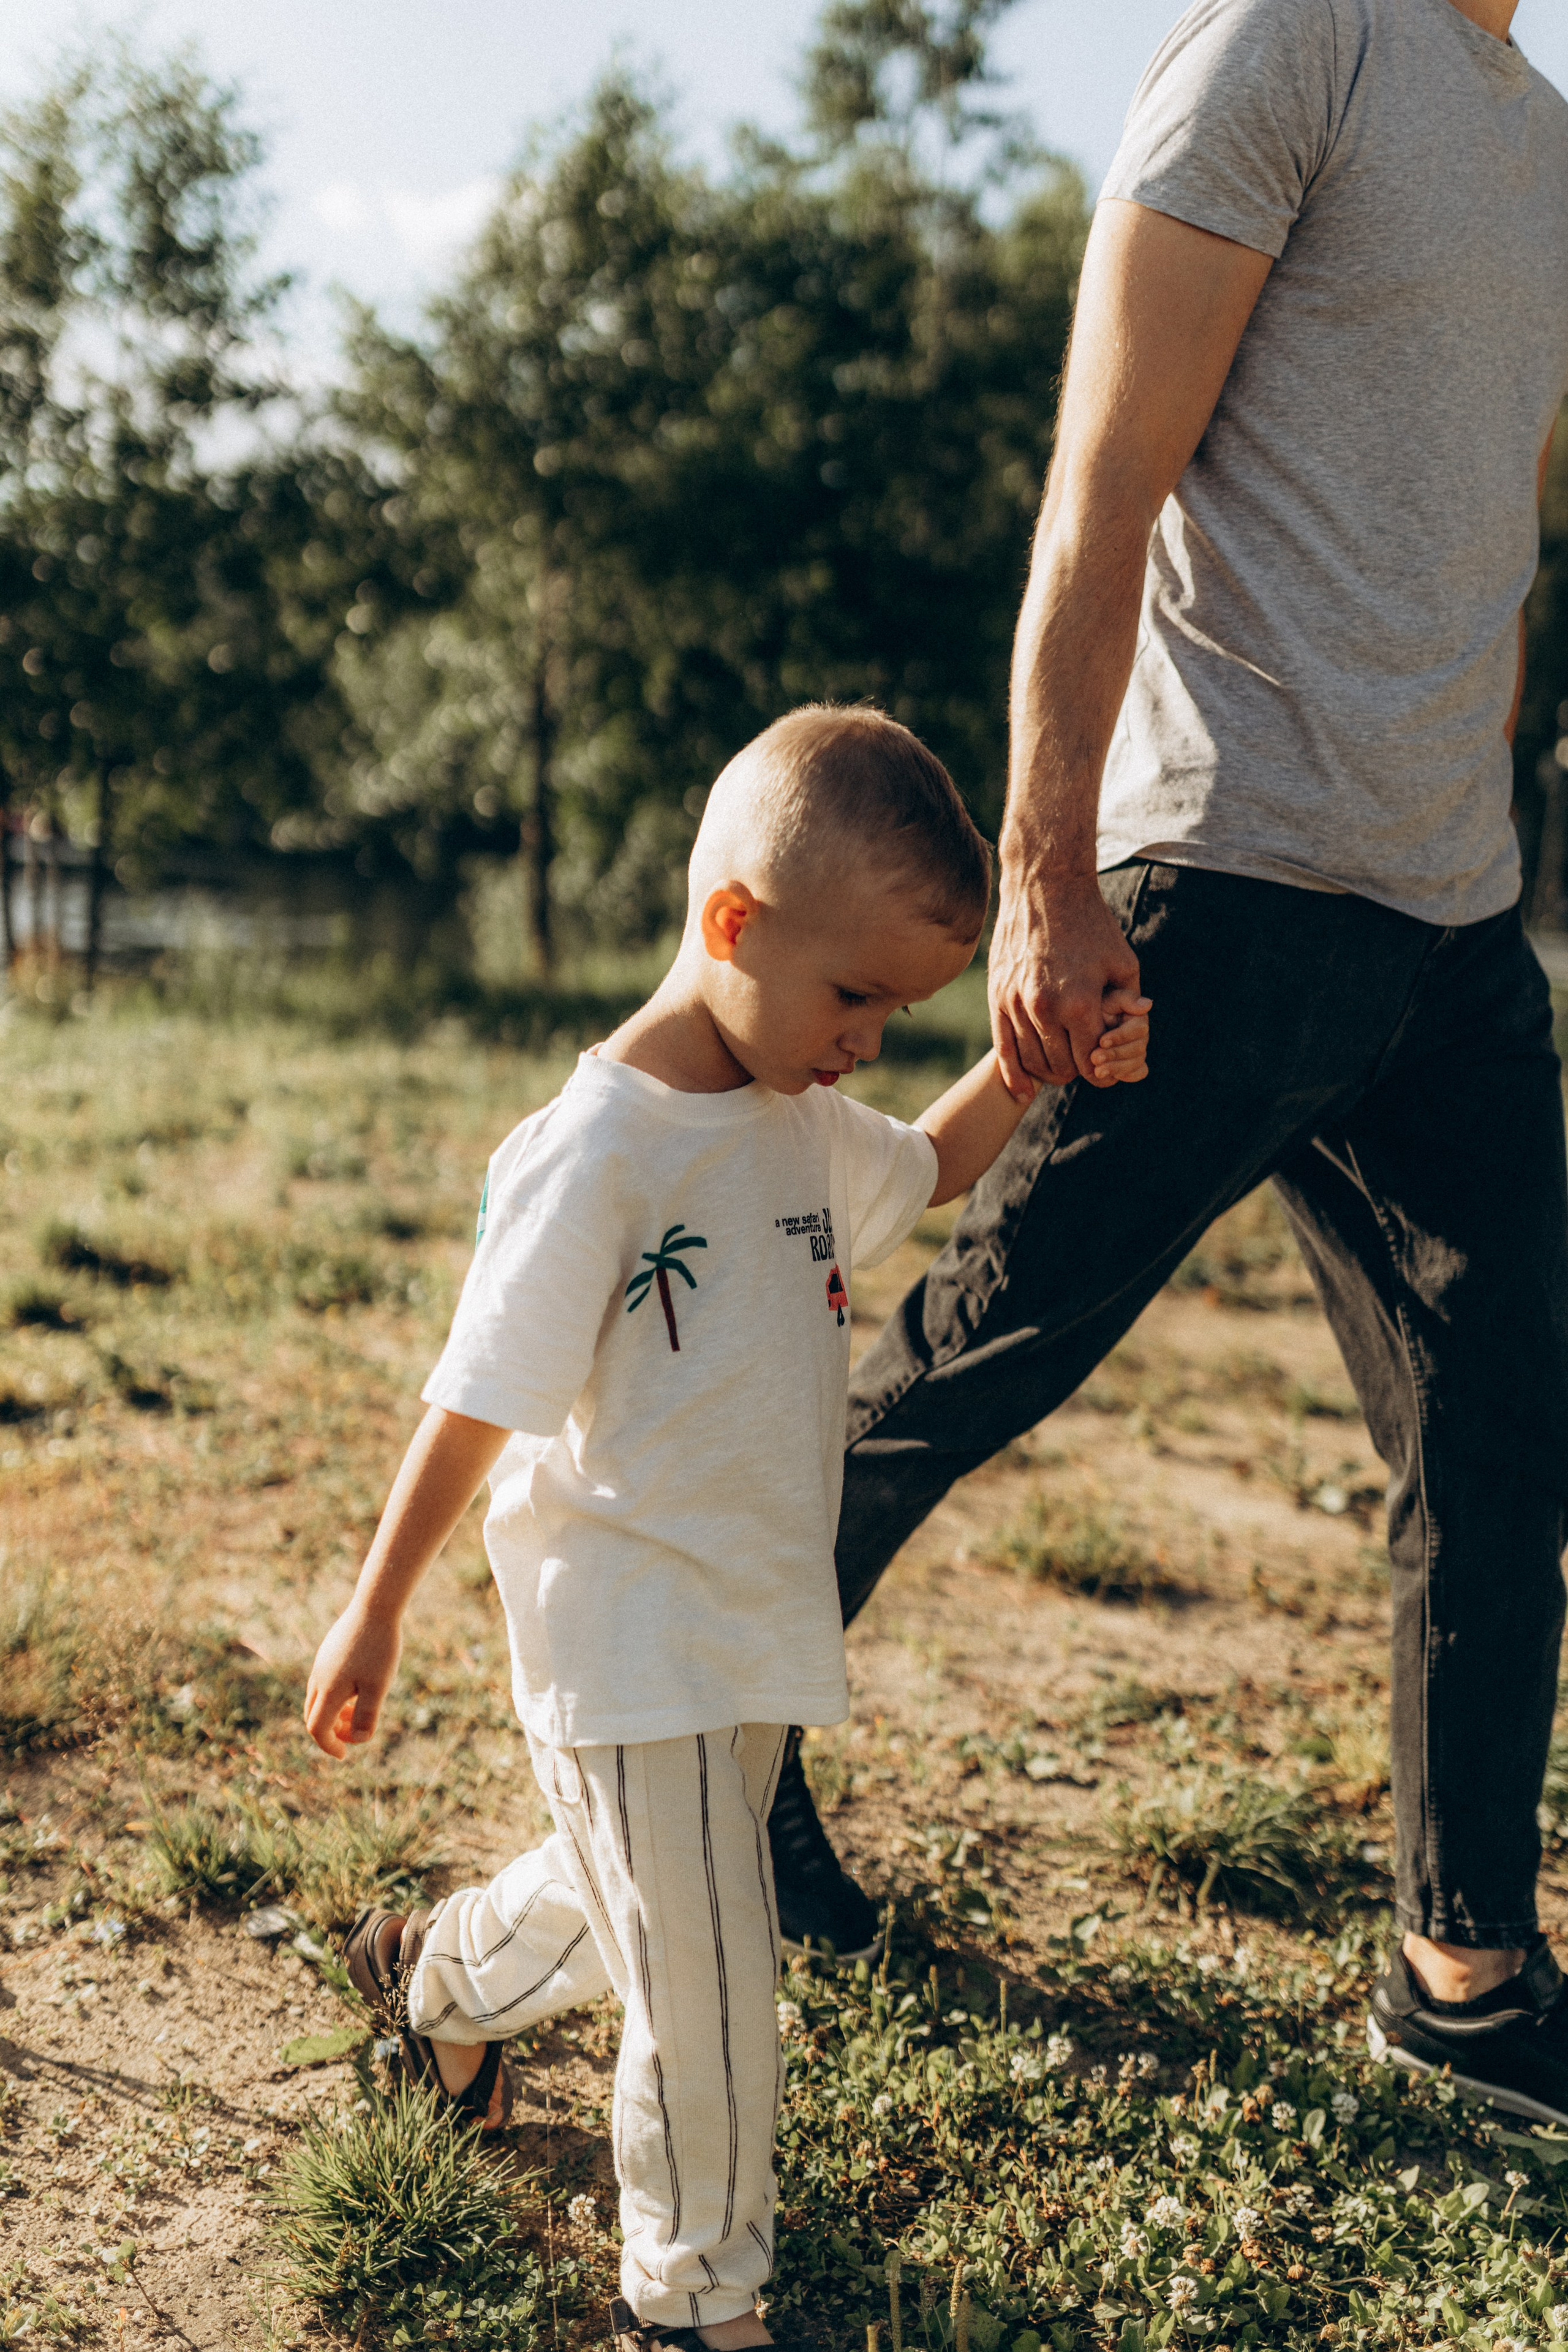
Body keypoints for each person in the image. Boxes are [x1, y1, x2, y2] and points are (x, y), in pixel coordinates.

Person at [767, 0, 1568, 2123]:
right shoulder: (1289, 41)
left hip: (1458, 926)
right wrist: (1050, 875)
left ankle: (1465, 1971)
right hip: (1224, 884)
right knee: (980, 1349)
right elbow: (1104, 482)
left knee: (1508, 1431)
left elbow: (1493, 545)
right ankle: (701, 1762)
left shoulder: (1539, 139)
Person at [302, 706, 1149, 2352]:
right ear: (732, 925)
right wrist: (374, 1603)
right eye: (851, 999)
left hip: (751, 1621)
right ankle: (694, 2305)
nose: (864, 1044)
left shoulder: (796, 1117)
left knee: (632, 1901)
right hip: (629, 1635)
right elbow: (476, 1394)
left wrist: (1028, 1060)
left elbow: (933, 1162)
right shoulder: (601, 1151)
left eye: (893, 1015)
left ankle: (434, 1984)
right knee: (710, 1993)